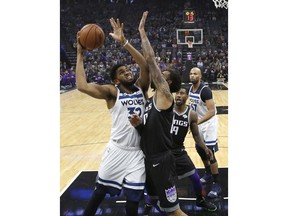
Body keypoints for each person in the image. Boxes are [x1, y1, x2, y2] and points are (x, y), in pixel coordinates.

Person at [75, 17, 150, 216]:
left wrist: (124, 42)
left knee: (133, 201)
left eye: (128, 69)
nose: (128, 71)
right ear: (116, 79)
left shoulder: (141, 89)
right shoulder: (113, 92)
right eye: (122, 71)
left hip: (136, 153)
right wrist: (80, 54)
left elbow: (145, 66)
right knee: (98, 195)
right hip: (116, 150)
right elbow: (82, 86)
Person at [129, 11, 187, 216]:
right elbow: (150, 129)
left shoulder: (165, 95)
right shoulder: (152, 99)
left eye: (162, 76)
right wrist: (139, 125)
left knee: (173, 211)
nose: (158, 75)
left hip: (161, 161)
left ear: (167, 83)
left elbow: (150, 60)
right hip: (149, 158)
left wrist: (142, 33)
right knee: (156, 203)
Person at [143, 87, 218, 215]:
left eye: (182, 93)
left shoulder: (191, 114)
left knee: (195, 178)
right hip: (162, 151)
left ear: (187, 97)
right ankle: (149, 202)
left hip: (178, 151)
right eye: (177, 93)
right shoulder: (166, 109)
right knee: (157, 183)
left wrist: (205, 147)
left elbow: (195, 135)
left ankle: (200, 200)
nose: (178, 95)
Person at [188, 67, 222, 198]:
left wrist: (197, 122)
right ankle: (208, 173)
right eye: (191, 73)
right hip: (200, 122)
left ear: (200, 76)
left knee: (210, 153)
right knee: (199, 149)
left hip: (208, 124)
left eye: (195, 73)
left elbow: (211, 111)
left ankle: (217, 184)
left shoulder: (205, 90)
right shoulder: (191, 89)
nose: (192, 75)